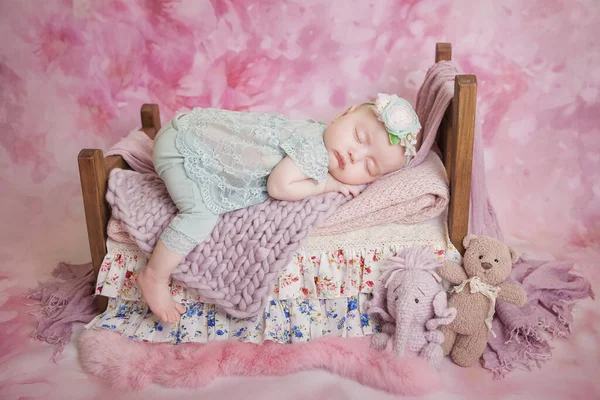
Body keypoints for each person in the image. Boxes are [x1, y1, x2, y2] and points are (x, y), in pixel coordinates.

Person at [137, 93, 422, 323]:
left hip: (185, 131)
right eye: (359, 138)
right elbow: (279, 187)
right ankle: (154, 277)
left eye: (368, 165)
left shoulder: (314, 131)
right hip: (179, 147)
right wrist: (326, 186)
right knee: (200, 215)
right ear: (342, 115)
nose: (354, 155)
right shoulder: (314, 148)